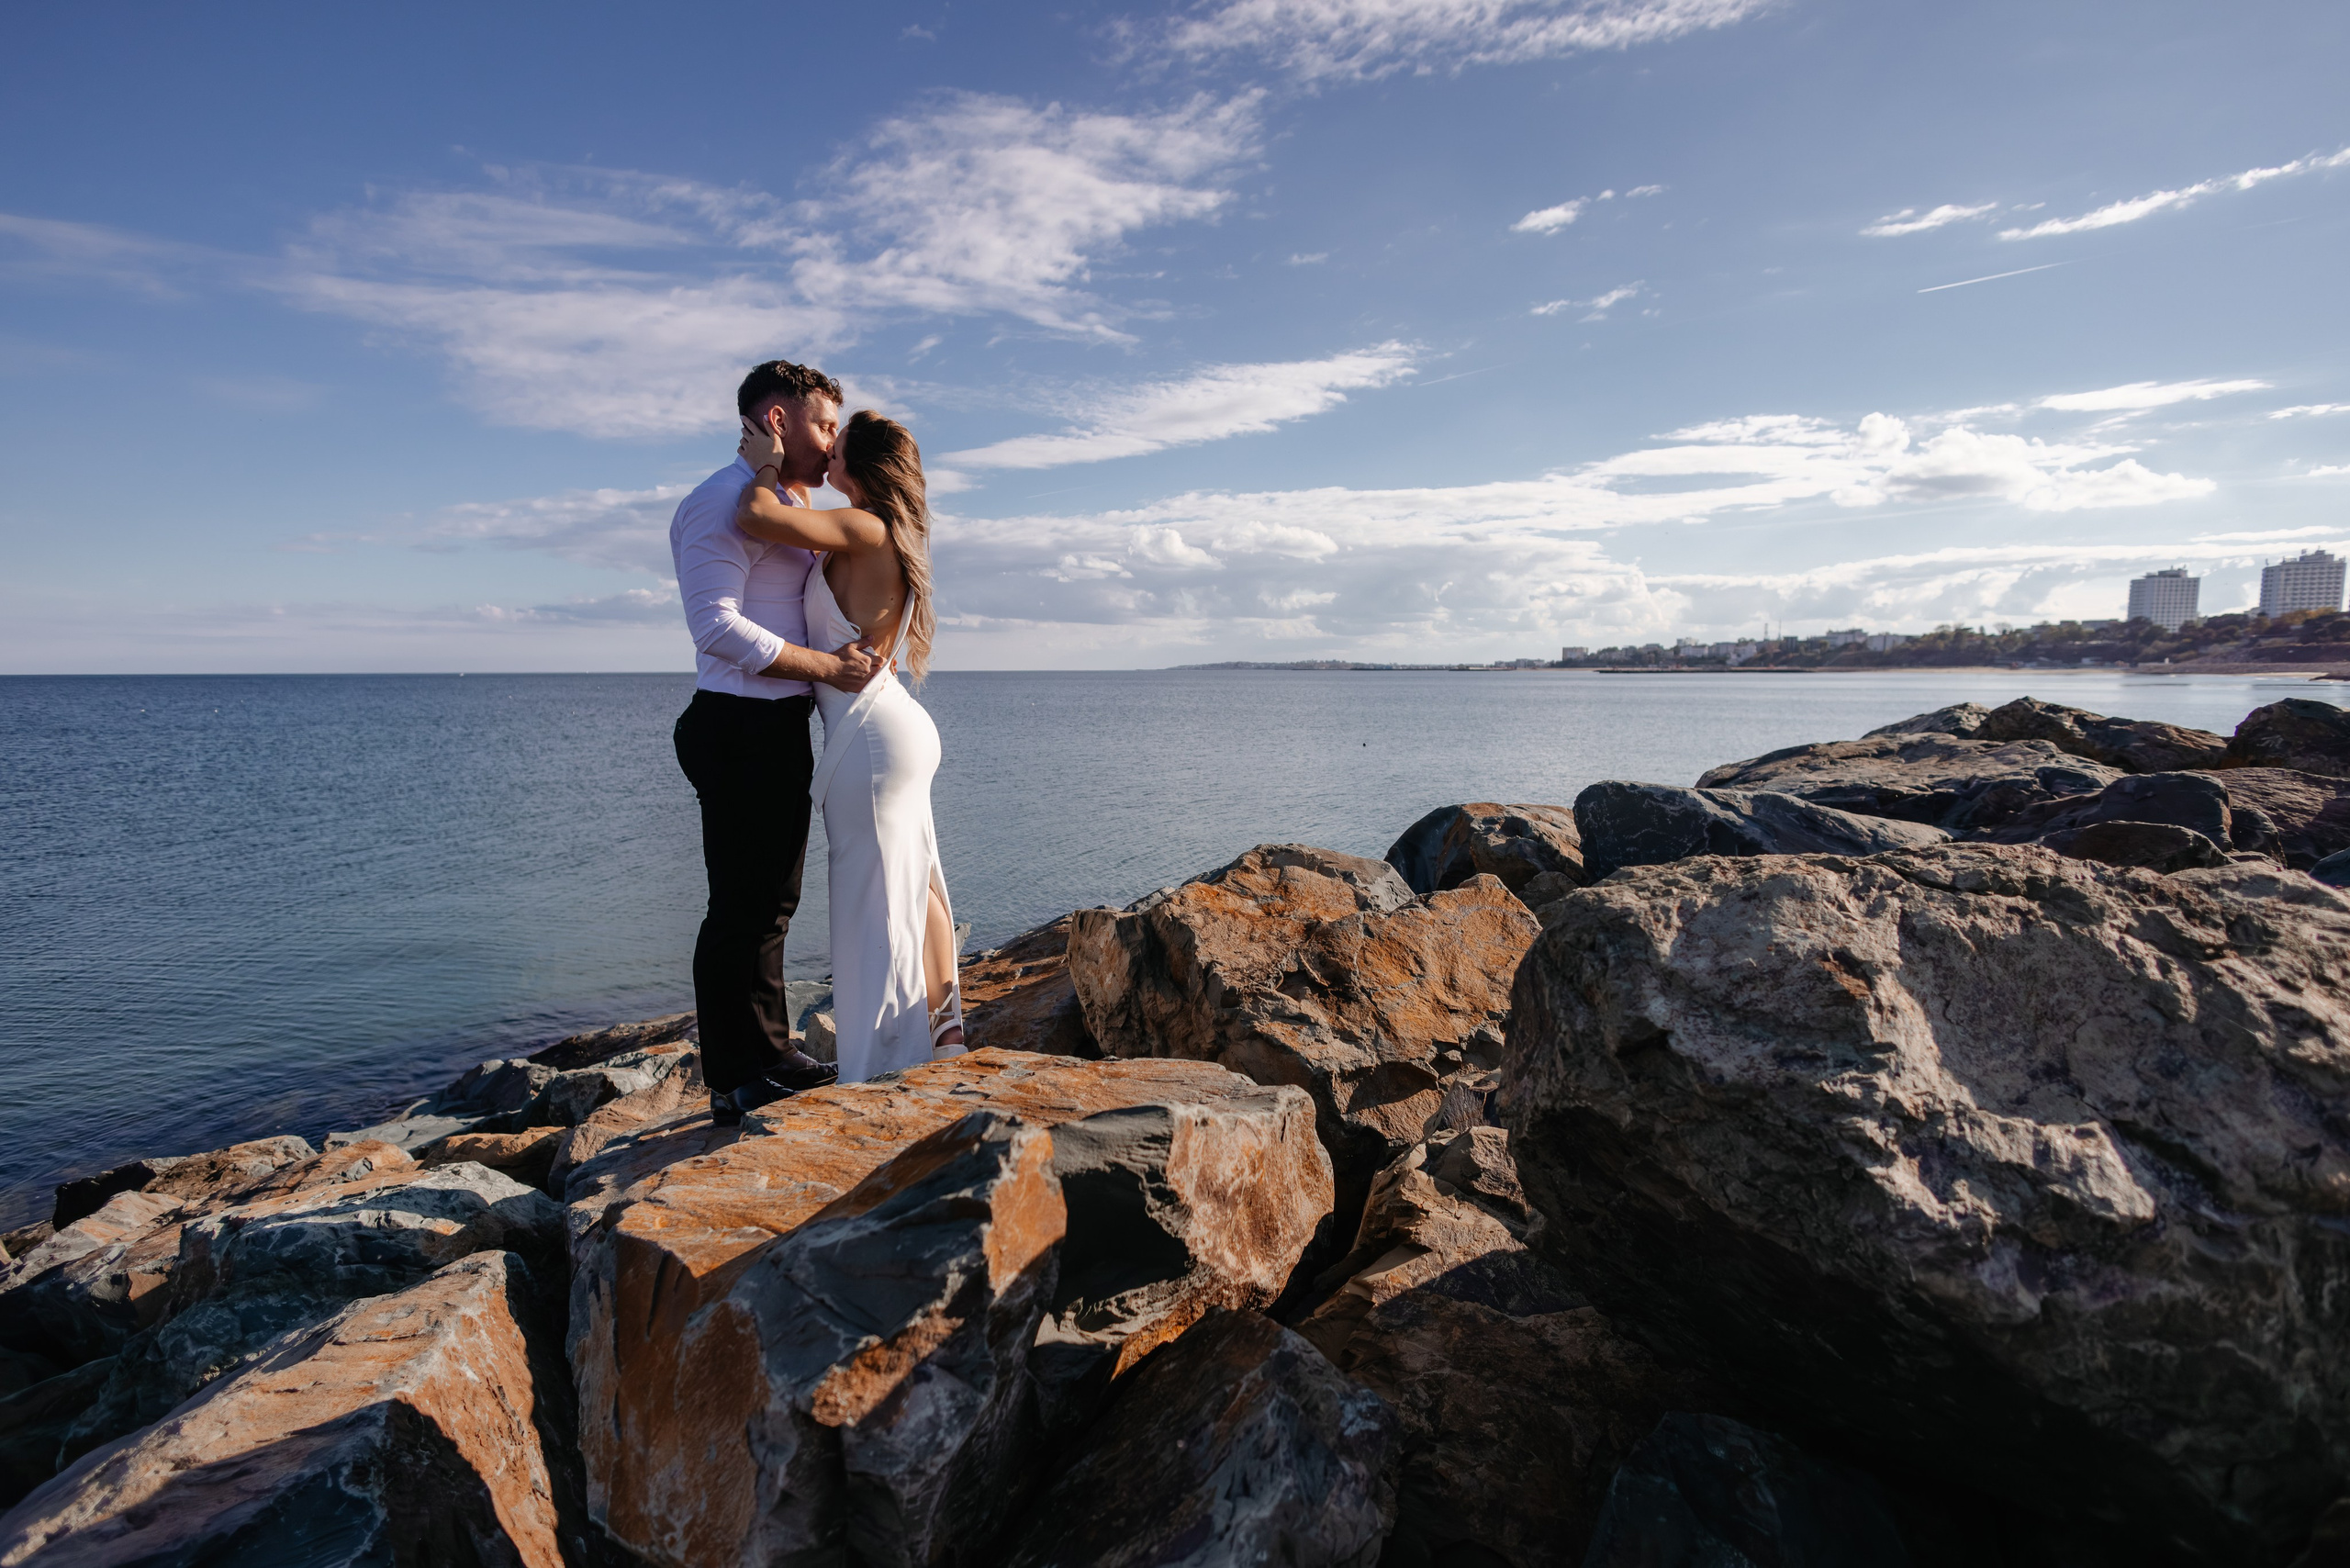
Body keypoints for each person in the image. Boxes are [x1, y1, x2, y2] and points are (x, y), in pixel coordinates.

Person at [669, 359, 880, 1126]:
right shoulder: (720, 501)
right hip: (737, 724)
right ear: (779, 420)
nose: (833, 445)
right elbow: (715, 626)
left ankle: (773, 1053)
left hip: (776, 724)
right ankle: (733, 1079)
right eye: (824, 425)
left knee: (771, 905)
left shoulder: (779, 502)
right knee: (740, 909)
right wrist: (829, 666)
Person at [733, 408, 965, 1082]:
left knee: (873, 902)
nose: (826, 452)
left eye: (837, 448)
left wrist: (767, 460)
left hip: (868, 737)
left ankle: (885, 1064)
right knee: (917, 881)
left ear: (859, 467)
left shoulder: (864, 526)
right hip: (894, 726)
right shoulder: (890, 532)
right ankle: (944, 1033)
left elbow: (756, 516)